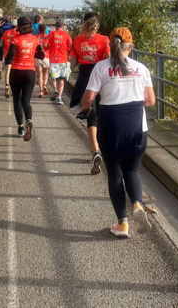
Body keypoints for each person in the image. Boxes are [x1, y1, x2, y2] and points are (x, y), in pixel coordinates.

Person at [78, 27, 155, 238]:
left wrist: (85, 110)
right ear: (131, 46)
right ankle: (138, 204)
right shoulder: (141, 68)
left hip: (111, 128)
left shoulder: (101, 67)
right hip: (137, 130)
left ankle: (123, 224)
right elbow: (150, 101)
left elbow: (88, 99)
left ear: (110, 45)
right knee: (132, 171)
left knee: (114, 174)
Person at [70, 12, 110, 175]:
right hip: (101, 78)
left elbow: (72, 64)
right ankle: (103, 149)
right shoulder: (104, 39)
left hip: (85, 78)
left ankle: (95, 152)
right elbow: (108, 59)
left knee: (90, 116)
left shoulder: (77, 40)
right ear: (97, 25)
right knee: (103, 114)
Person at [4, 17, 40, 141]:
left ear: (18, 26)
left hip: (16, 71)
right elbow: (41, 54)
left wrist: (7, 65)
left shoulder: (15, 39)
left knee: (16, 100)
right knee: (26, 101)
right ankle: (29, 120)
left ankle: (20, 127)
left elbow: (9, 56)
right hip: (30, 72)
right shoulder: (35, 39)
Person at [45, 19, 73, 105]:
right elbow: (70, 45)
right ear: (63, 27)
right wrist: (66, 50)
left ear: (55, 27)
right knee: (61, 79)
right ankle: (60, 98)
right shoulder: (66, 34)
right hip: (63, 59)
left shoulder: (51, 34)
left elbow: (45, 44)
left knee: (52, 77)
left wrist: (50, 47)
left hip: (53, 59)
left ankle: (55, 89)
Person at [32, 15, 50, 98]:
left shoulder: (35, 37)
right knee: (45, 72)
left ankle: (41, 91)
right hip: (46, 56)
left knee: (39, 74)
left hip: (37, 57)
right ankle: (45, 85)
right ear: (45, 30)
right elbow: (50, 46)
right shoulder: (48, 37)